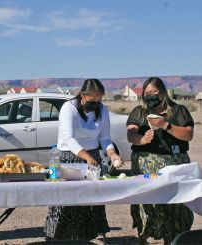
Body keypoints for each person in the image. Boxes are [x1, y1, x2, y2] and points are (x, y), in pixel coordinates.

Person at [44, 78, 123, 242]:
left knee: (90, 200)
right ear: (83, 95)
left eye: (99, 100)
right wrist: (87, 157)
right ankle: (58, 238)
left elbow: (105, 137)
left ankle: (85, 238)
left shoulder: (102, 110)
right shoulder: (69, 108)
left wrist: (112, 153)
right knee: (66, 200)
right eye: (92, 100)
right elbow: (68, 138)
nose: (96, 103)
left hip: (92, 157)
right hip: (69, 158)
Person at [126, 77, 194, 244]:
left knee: (176, 203)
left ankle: (174, 240)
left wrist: (166, 125)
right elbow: (130, 134)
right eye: (146, 93)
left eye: (154, 92)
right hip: (146, 164)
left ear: (163, 92)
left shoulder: (178, 110)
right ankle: (144, 238)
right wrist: (141, 139)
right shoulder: (139, 111)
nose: (150, 95)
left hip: (175, 163)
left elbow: (188, 134)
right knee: (147, 203)